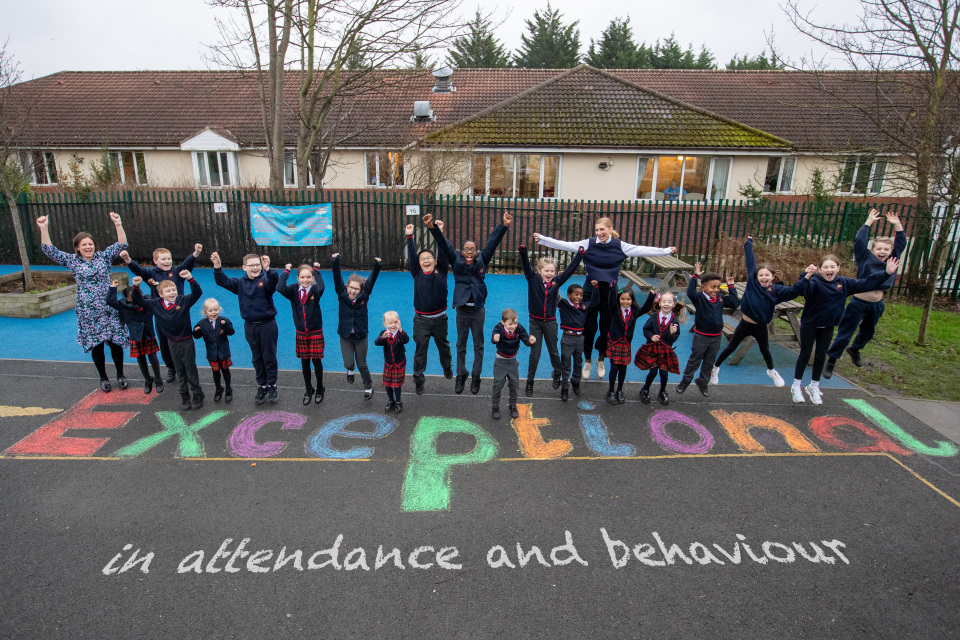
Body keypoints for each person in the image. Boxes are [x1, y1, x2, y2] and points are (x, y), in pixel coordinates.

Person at [534, 217, 675, 382]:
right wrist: (543, 239)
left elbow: (642, 250)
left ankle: (601, 359)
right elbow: (566, 244)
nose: (599, 233)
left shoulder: (620, 246)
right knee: (589, 327)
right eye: (597, 230)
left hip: (609, 293)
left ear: (610, 229)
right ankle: (587, 361)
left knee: (606, 328)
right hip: (590, 290)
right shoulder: (589, 243)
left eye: (602, 229)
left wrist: (665, 250)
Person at [37, 212, 129, 392]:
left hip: (109, 307)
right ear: (77, 248)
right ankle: (103, 376)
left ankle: (120, 374)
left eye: (90, 244)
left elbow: (122, 244)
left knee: (115, 342)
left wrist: (118, 223)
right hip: (88, 310)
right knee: (97, 345)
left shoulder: (104, 257)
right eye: (84, 245)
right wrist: (43, 228)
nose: (88, 247)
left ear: (95, 246)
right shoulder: (72, 261)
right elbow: (50, 250)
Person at [791, 255, 899, 405]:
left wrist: (886, 273)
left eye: (832, 267)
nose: (829, 270)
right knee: (805, 354)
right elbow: (802, 290)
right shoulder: (814, 282)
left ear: (838, 268)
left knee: (821, 356)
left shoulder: (844, 283)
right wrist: (805, 275)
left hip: (828, 325)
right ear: (820, 269)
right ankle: (796, 386)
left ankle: (813, 386)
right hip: (810, 324)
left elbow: (866, 283)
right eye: (826, 267)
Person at [427, 211, 512, 395]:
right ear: (461, 251)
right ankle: (460, 375)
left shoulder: (482, 259)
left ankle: (476, 375)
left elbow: (492, 242)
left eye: (472, 249)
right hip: (462, 311)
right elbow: (444, 244)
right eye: (466, 249)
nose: (469, 252)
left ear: (477, 252)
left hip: (478, 311)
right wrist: (432, 227)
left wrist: (503, 225)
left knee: (478, 344)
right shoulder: (456, 259)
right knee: (461, 344)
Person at [713, 237, 807, 387]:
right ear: (757, 277)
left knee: (765, 350)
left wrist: (805, 276)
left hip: (761, 326)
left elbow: (795, 291)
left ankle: (771, 371)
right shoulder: (752, 282)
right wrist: (748, 244)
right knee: (731, 346)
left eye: (767, 275)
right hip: (745, 323)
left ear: (772, 277)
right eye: (761, 275)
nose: (763, 277)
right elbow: (750, 261)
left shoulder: (776, 291)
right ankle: (715, 368)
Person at [824, 209, 906, 377]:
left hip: (877, 305)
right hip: (858, 303)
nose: (882, 252)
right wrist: (868, 222)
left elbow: (901, 243)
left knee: (868, 332)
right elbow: (860, 241)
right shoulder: (865, 258)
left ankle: (855, 349)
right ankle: (831, 361)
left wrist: (897, 225)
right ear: (873, 249)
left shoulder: (893, 260)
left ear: (891, 251)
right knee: (845, 333)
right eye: (879, 249)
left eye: (886, 249)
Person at [120, 244, 202, 383]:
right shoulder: (151, 274)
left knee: (185, 341)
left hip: (179, 312)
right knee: (165, 343)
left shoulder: (177, 271)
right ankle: (171, 367)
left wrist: (195, 253)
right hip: (161, 314)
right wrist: (128, 260)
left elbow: (187, 264)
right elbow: (138, 270)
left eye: (169, 258)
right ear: (155, 261)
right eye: (163, 259)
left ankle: (186, 367)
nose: (167, 261)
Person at [212, 252, 280, 404]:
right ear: (244, 267)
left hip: (268, 325)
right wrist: (217, 266)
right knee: (257, 358)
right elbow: (222, 281)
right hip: (250, 327)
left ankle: (272, 385)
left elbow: (274, 281)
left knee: (269, 357)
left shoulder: (265, 281)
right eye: (252, 265)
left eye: (258, 265)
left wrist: (268, 269)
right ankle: (262, 385)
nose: (255, 268)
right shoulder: (239, 283)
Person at [132, 271, 204, 411]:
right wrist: (135, 287)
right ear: (160, 294)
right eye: (168, 291)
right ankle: (184, 396)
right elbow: (138, 301)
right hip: (172, 341)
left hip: (186, 341)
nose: (172, 293)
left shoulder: (183, 301)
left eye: (174, 290)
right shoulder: (155, 304)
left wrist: (190, 279)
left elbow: (197, 293)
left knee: (190, 369)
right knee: (179, 370)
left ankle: (197, 394)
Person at [519, 244, 585, 396]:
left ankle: (557, 373)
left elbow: (568, 271)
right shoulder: (533, 279)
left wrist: (579, 256)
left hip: (550, 322)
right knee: (534, 354)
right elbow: (526, 265)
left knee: (554, 351)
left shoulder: (556, 282)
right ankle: (530, 382)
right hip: (534, 322)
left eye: (551, 271)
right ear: (539, 271)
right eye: (546, 271)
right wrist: (523, 251)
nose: (549, 274)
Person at [677, 264, 739, 397]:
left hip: (716, 337)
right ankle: (686, 381)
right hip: (701, 336)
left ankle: (702, 382)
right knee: (695, 360)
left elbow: (734, 302)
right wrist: (695, 276)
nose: (716, 290)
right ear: (703, 287)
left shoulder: (720, 299)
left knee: (709, 362)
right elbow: (690, 292)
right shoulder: (699, 298)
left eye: (718, 287)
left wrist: (731, 286)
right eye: (713, 287)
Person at [406, 222, 453, 395]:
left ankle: (447, 368)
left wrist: (439, 232)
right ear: (419, 263)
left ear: (435, 261)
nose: (426, 260)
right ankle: (419, 380)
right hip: (421, 320)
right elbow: (411, 255)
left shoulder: (441, 269)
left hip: (440, 319)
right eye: (422, 259)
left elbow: (443, 250)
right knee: (420, 352)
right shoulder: (416, 273)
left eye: (429, 258)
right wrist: (409, 236)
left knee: (444, 348)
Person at [331, 253, 381, 401]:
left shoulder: (364, 296)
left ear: (361, 290)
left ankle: (368, 386)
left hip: (360, 336)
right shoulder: (341, 294)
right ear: (347, 287)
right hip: (346, 336)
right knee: (349, 363)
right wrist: (335, 261)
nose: (353, 291)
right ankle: (350, 370)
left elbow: (372, 280)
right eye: (350, 288)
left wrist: (377, 265)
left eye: (356, 289)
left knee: (362, 364)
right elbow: (336, 276)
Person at [278, 262, 326, 405]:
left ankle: (319, 388)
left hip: (315, 332)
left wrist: (317, 270)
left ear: (312, 278)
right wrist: (286, 271)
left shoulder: (316, 291)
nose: (305, 280)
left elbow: (322, 286)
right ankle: (308, 389)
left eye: (308, 277)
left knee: (316, 361)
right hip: (301, 333)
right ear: (298, 278)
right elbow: (279, 287)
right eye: (302, 277)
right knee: (304, 362)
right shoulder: (293, 290)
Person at [106, 276, 163, 394]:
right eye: (133, 297)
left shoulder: (147, 302)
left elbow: (157, 298)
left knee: (153, 358)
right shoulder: (123, 306)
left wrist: (153, 285)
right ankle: (148, 380)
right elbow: (110, 301)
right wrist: (113, 287)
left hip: (148, 334)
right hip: (136, 337)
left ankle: (158, 380)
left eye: (139, 295)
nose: (137, 298)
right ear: (127, 298)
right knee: (140, 359)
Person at [603, 284, 655, 405]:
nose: (625, 301)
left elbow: (646, 308)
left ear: (632, 300)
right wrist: (612, 288)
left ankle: (619, 390)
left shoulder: (635, 311)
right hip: (615, 341)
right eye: (622, 299)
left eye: (628, 299)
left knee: (623, 368)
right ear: (618, 299)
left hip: (626, 343)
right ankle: (611, 391)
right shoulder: (615, 309)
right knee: (614, 367)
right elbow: (611, 300)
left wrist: (651, 296)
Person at [634, 291, 685, 405]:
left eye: (669, 302)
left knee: (664, 373)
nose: (666, 304)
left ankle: (662, 391)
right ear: (660, 303)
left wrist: (672, 333)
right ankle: (645, 389)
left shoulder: (674, 321)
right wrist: (651, 336)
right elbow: (646, 329)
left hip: (665, 350)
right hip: (653, 349)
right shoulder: (653, 316)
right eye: (664, 301)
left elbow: (673, 339)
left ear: (673, 305)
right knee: (653, 372)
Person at [556, 281, 601, 401]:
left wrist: (595, 287)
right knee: (566, 364)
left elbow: (595, 302)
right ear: (569, 295)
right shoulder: (563, 304)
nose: (579, 297)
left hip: (580, 339)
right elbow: (554, 295)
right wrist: (558, 281)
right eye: (576, 294)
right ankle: (564, 386)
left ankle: (576, 382)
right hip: (567, 338)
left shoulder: (584, 306)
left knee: (578, 362)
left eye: (581, 295)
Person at [490, 308, 536, 420]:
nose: (513, 326)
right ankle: (495, 407)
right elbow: (494, 338)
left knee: (514, 385)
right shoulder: (498, 328)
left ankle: (513, 405)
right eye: (510, 324)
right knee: (498, 384)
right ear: (503, 322)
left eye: (515, 323)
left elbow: (526, 340)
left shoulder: (519, 328)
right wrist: (495, 339)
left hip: (512, 362)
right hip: (500, 361)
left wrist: (530, 341)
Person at [193, 298, 235, 403]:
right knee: (215, 372)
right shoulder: (202, 324)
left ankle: (228, 389)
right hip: (212, 353)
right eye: (211, 311)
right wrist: (196, 331)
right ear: (205, 312)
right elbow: (197, 336)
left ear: (219, 309)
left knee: (225, 371)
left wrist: (225, 325)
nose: (214, 312)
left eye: (216, 310)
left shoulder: (224, 320)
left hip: (223, 352)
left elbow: (231, 332)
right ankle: (218, 389)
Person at [374, 311, 409, 413]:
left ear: (398, 322)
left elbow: (406, 340)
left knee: (397, 385)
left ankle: (398, 401)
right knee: (387, 384)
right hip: (389, 364)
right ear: (385, 324)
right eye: (390, 323)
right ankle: (391, 400)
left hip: (399, 363)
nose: (393, 325)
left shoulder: (400, 333)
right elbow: (377, 342)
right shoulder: (383, 334)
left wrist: (400, 329)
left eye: (395, 323)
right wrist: (382, 338)